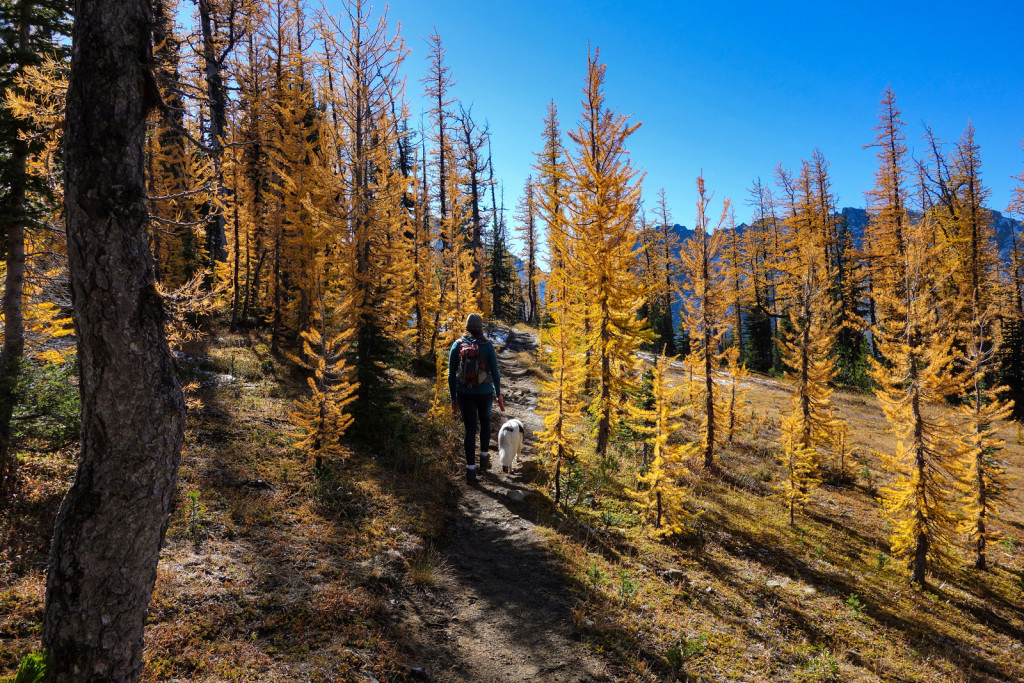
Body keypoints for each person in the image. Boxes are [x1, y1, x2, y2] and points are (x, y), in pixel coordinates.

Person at [448, 313, 502, 483]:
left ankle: (470, 470)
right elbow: (495, 372)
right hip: (485, 392)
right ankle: (484, 460)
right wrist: (498, 393)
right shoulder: (487, 345)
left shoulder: (457, 345)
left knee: (470, 430)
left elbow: (451, 375)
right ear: (480, 329)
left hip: (464, 393)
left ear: (467, 327)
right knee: (485, 422)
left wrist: (453, 397)